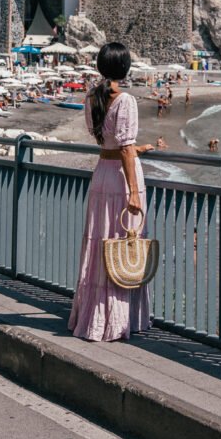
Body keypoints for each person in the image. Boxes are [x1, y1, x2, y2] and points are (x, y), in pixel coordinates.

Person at [69, 42, 154, 342]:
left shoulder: (91, 97)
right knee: (125, 243)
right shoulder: (126, 100)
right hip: (121, 178)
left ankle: (94, 315)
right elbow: (126, 148)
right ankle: (119, 320)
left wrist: (136, 149)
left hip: (102, 174)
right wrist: (133, 192)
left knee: (100, 243)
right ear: (126, 67)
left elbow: (108, 142)